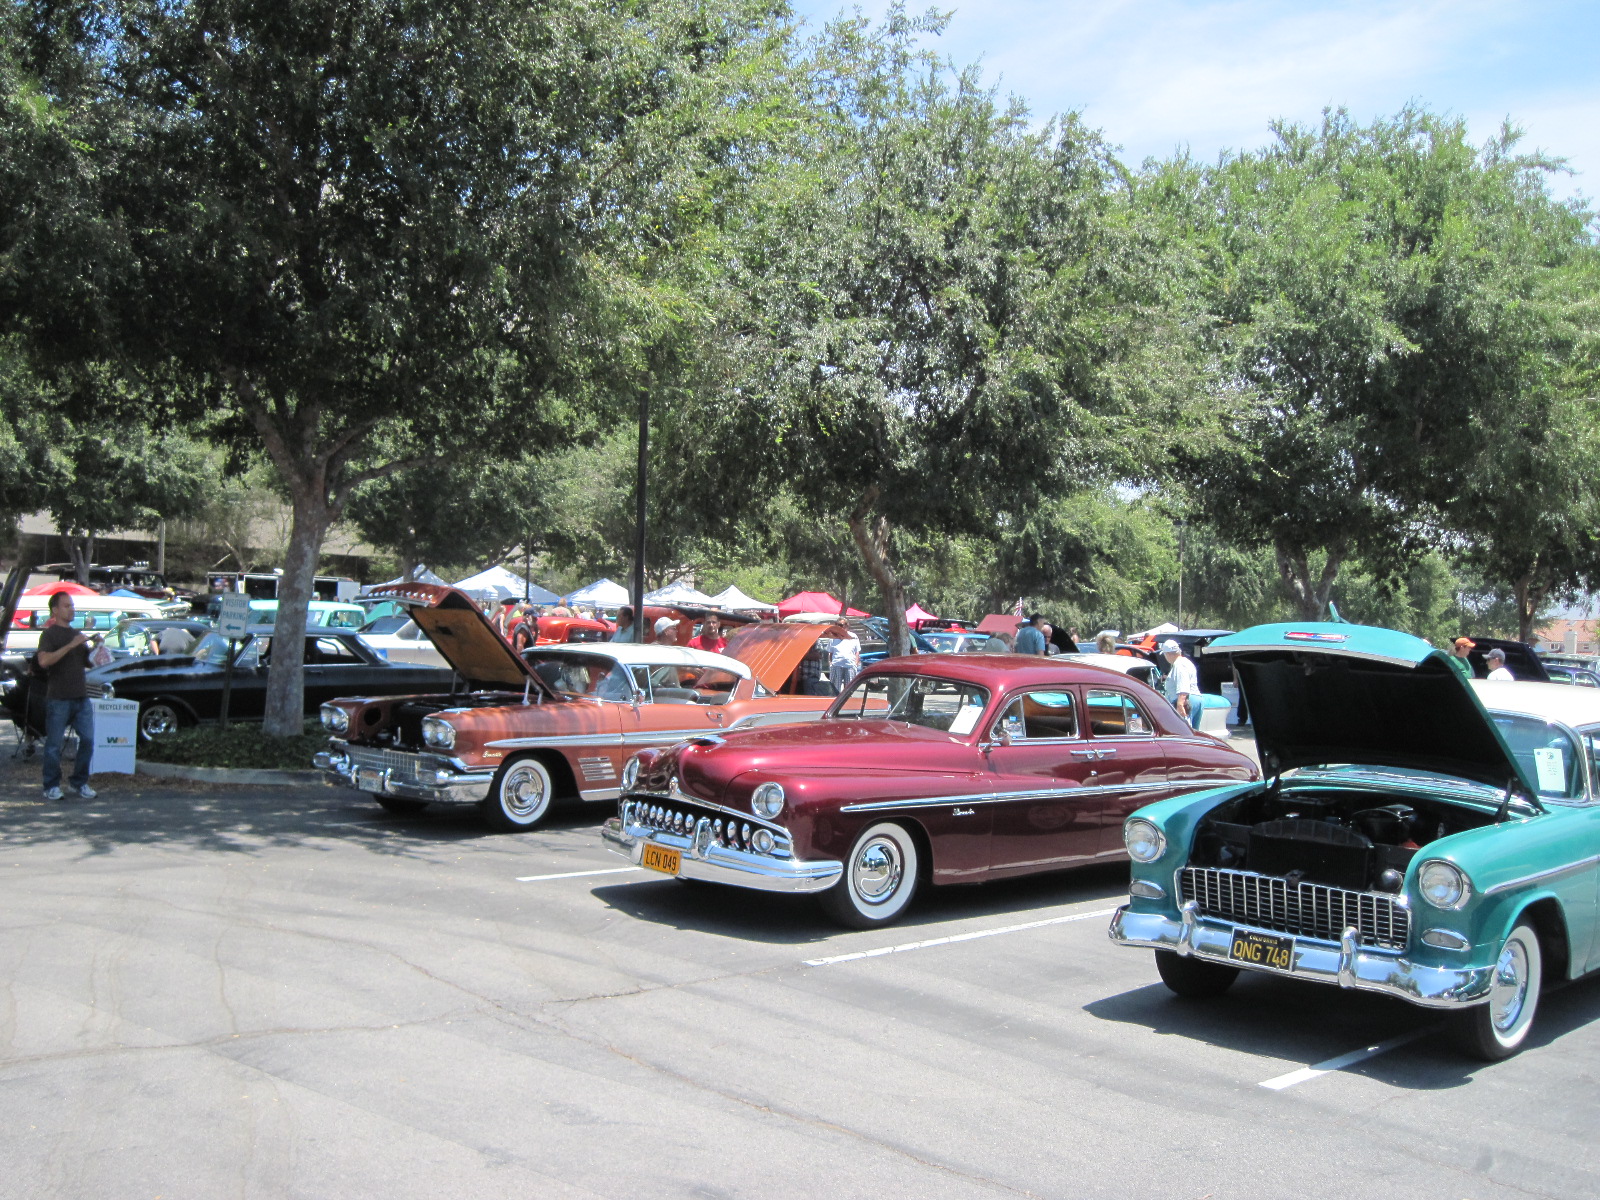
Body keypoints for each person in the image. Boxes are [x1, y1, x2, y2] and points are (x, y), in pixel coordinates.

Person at [35, 592, 98, 801]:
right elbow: (44, 661)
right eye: (66, 606)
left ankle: (78, 782)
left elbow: (87, 662)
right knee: (54, 745)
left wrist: (96, 647)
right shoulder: (50, 635)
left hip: (80, 696)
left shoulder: (77, 633)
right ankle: (51, 785)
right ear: (55, 610)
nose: (71, 609)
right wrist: (71, 644)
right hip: (59, 697)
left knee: (88, 740)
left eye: (72, 606)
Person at [1161, 638, 1203, 730]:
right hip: (1195, 698)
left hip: (1186, 701)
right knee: (1194, 732)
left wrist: (1180, 704)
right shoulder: (1186, 662)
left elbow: (1183, 684)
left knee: (1184, 732)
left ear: (1167, 654)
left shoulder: (1179, 664)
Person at [829, 628, 862, 693]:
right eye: (838, 625)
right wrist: (831, 663)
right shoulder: (833, 637)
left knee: (849, 691)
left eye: (842, 625)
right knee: (834, 690)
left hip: (850, 666)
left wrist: (856, 664)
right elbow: (830, 652)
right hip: (836, 665)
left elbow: (857, 652)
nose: (840, 627)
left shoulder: (853, 636)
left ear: (846, 626)